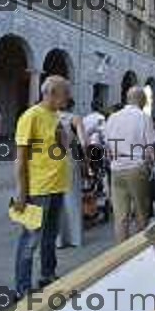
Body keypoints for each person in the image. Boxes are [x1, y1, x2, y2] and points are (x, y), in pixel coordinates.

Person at [13, 76, 71, 298]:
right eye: (65, 93)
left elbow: (64, 148)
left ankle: (48, 274)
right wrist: (21, 191)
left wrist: (63, 132)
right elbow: (20, 158)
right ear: (52, 92)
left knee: (50, 236)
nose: (68, 97)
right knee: (30, 240)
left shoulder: (55, 116)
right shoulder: (31, 116)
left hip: (57, 185)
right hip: (38, 188)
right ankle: (22, 288)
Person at [105, 86, 155, 243]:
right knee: (141, 213)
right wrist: (151, 167)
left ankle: (121, 254)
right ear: (142, 100)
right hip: (136, 167)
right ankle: (139, 251)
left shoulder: (113, 117)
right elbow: (149, 149)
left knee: (120, 217)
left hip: (116, 168)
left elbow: (107, 145)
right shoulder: (143, 117)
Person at [57, 98, 87, 248]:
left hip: (51, 160)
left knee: (57, 198)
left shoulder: (49, 116)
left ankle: (58, 239)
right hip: (69, 158)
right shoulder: (74, 118)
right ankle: (74, 238)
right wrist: (85, 160)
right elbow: (83, 142)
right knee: (72, 197)